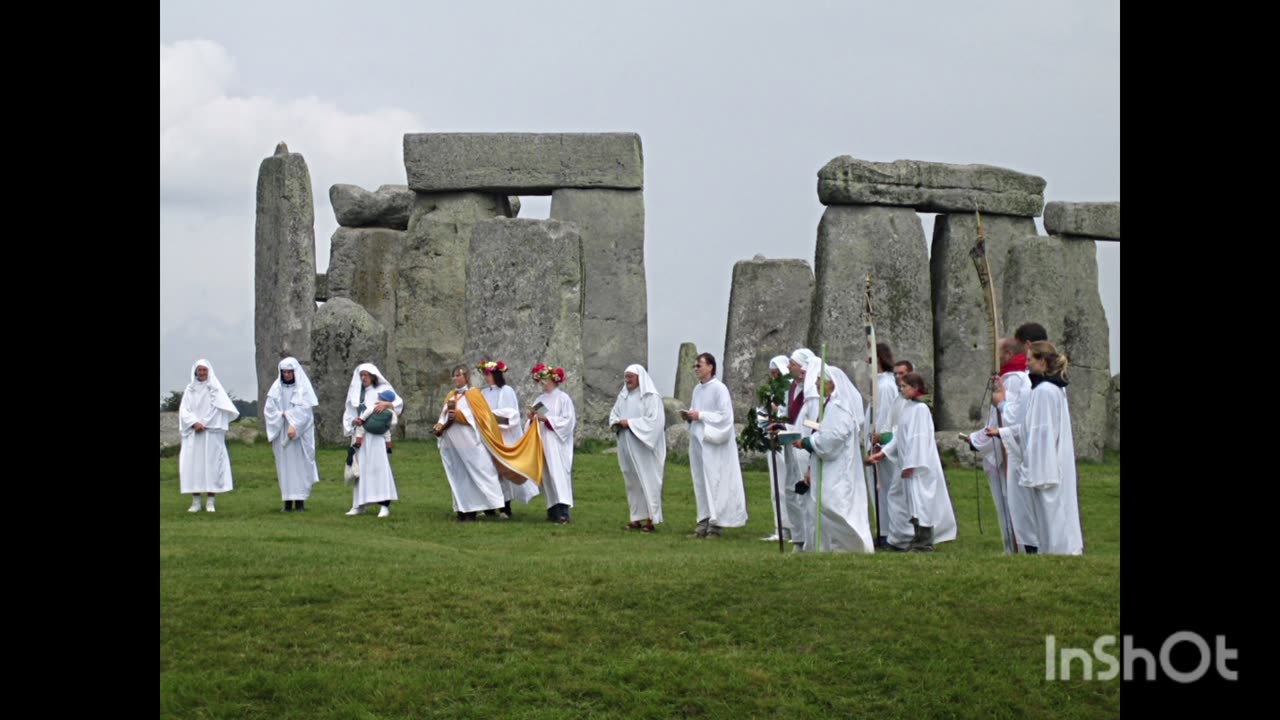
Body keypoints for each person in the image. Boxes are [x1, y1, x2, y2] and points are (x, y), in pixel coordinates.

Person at [989, 341, 1084, 555]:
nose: (1027, 365)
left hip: (1046, 468)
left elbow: (1040, 434)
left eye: (1030, 360)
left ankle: (1058, 552)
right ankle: (1056, 552)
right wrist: (1003, 432)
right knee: (1053, 511)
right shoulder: (1052, 389)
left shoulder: (1044, 391)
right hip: (1051, 463)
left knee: (1052, 512)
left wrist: (1035, 469)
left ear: (1042, 362)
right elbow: (1029, 428)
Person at [791, 360, 875, 553]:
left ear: (832, 383)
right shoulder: (830, 406)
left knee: (835, 505)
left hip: (838, 469)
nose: (816, 384)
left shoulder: (839, 407)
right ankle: (836, 547)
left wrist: (808, 442)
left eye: (820, 380)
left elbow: (831, 440)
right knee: (826, 504)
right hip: (829, 466)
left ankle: (851, 546)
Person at [868, 372, 958, 551]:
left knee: (921, 502)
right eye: (900, 386)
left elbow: (919, 439)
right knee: (912, 503)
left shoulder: (921, 410)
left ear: (916, 388)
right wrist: (884, 453)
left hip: (919, 466)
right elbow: (899, 436)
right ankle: (912, 539)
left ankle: (924, 543)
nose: (901, 390)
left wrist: (911, 465)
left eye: (905, 386)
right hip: (907, 463)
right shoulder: (907, 408)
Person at [965, 337, 1031, 553]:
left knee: (1010, 500)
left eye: (998, 353)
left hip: (1009, 450)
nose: (995, 358)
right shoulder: (1016, 377)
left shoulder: (1013, 379)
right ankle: (1014, 545)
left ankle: (1016, 547)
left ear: (1009, 354)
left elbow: (1006, 417)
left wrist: (977, 440)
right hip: (1005, 444)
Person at [682, 353, 747, 538]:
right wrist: (689, 417)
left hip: (715, 444)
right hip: (699, 443)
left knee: (716, 481)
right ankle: (703, 521)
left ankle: (716, 525)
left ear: (710, 367)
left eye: (699, 365)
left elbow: (725, 417)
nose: (696, 368)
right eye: (695, 365)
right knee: (701, 482)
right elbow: (696, 411)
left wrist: (701, 416)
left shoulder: (720, 389)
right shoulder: (697, 390)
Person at [436, 364, 505, 522]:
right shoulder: (451, 395)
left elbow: (480, 416)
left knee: (475, 473)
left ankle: (475, 510)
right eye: (454, 375)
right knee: (458, 474)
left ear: (466, 377)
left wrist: (460, 415)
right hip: (453, 443)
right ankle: (462, 509)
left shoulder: (474, 394)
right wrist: (440, 425)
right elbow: (444, 414)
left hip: (469, 442)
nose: (455, 378)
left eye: (459, 375)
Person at [609, 364, 666, 532]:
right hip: (627, 445)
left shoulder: (651, 397)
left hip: (645, 449)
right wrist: (616, 423)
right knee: (632, 482)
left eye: (630, 377)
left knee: (647, 481)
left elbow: (655, 422)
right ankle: (635, 518)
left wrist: (630, 423)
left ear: (640, 378)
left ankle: (651, 519)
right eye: (626, 377)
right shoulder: (623, 396)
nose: (627, 381)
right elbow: (614, 414)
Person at [478, 360, 540, 518]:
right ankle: (489, 506)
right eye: (485, 374)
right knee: (488, 471)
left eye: (489, 374)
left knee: (504, 472)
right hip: (488, 437)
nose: (487, 377)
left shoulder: (506, 391)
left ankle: (505, 507)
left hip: (503, 437)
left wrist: (492, 417)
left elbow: (511, 414)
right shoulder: (484, 393)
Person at [179, 358, 239, 513]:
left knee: (211, 466)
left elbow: (218, 408)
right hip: (194, 434)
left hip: (210, 433)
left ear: (209, 371)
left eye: (204, 370)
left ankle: (211, 501)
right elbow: (184, 410)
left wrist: (204, 423)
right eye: (199, 370)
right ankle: (196, 501)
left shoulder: (215, 388)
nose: (202, 372)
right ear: (196, 371)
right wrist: (194, 422)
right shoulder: (190, 389)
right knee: (194, 466)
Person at [342, 363, 403, 518]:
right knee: (360, 470)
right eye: (361, 375)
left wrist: (387, 404)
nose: (363, 378)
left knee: (379, 468)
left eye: (366, 375)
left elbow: (398, 403)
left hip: (376, 437)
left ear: (373, 376)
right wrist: (353, 423)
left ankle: (384, 505)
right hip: (361, 437)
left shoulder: (382, 390)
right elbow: (350, 411)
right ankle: (359, 504)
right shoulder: (356, 393)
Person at [263, 357, 320, 512]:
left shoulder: (303, 389)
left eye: (289, 372)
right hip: (282, 431)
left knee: (300, 466)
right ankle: (287, 503)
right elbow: (269, 410)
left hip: (298, 435)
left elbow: (306, 412)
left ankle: (300, 502)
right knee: (285, 468)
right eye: (284, 372)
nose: (287, 375)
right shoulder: (276, 389)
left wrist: (294, 425)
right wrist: (282, 418)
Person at [530, 364, 576, 524]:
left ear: (552, 380)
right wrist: (532, 419)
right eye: (540, 379)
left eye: (544, 379)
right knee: (546, 476)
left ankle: (564, 512)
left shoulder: (563, 398)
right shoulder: (540, 400)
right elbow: (536, 419)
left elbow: (568, 421)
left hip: (556, 443)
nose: (542, 382)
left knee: (558, 474)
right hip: (543, 441)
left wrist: (548, 420)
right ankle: (552, 510)